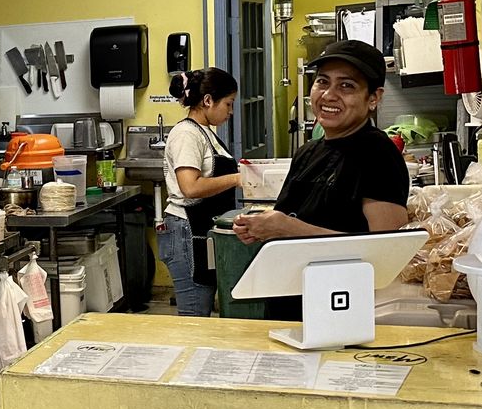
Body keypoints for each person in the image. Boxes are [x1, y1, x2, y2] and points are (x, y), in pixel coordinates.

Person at [234, 40, 409, 319]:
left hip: (338, 313)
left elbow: (384, 255)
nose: (328, 95)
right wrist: (262, 227)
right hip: (290, 307)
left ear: (373, 98)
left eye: (346, 86)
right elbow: (294, 216)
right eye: (322, 82)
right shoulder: (309, 151)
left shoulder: (378, 155)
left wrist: (287, 229)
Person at [159, 67, 240, 316]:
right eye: (228, 104)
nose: (230, 111)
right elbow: (190, 187)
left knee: (202, 310)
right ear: (207, 101)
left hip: (198, 231)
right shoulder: (186, 134)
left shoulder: (205, 132)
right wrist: (238, 179)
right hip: (186, 232)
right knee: (194, 316)